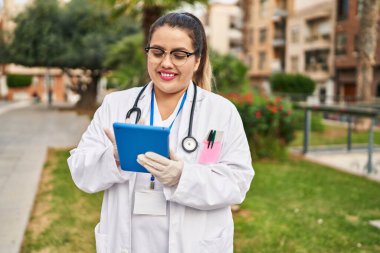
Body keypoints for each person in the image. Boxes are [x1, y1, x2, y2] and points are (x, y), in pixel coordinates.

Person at [67, 12, 254, 253]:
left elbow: (237, 182)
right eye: (157, 52)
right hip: (128, 243)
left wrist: (182, 176)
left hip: (194, 244)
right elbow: (80, 170)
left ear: (197, 60)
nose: (166, 63)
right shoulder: (117, 106)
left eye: (179, 55)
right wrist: (113, 158)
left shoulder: (219, 114)